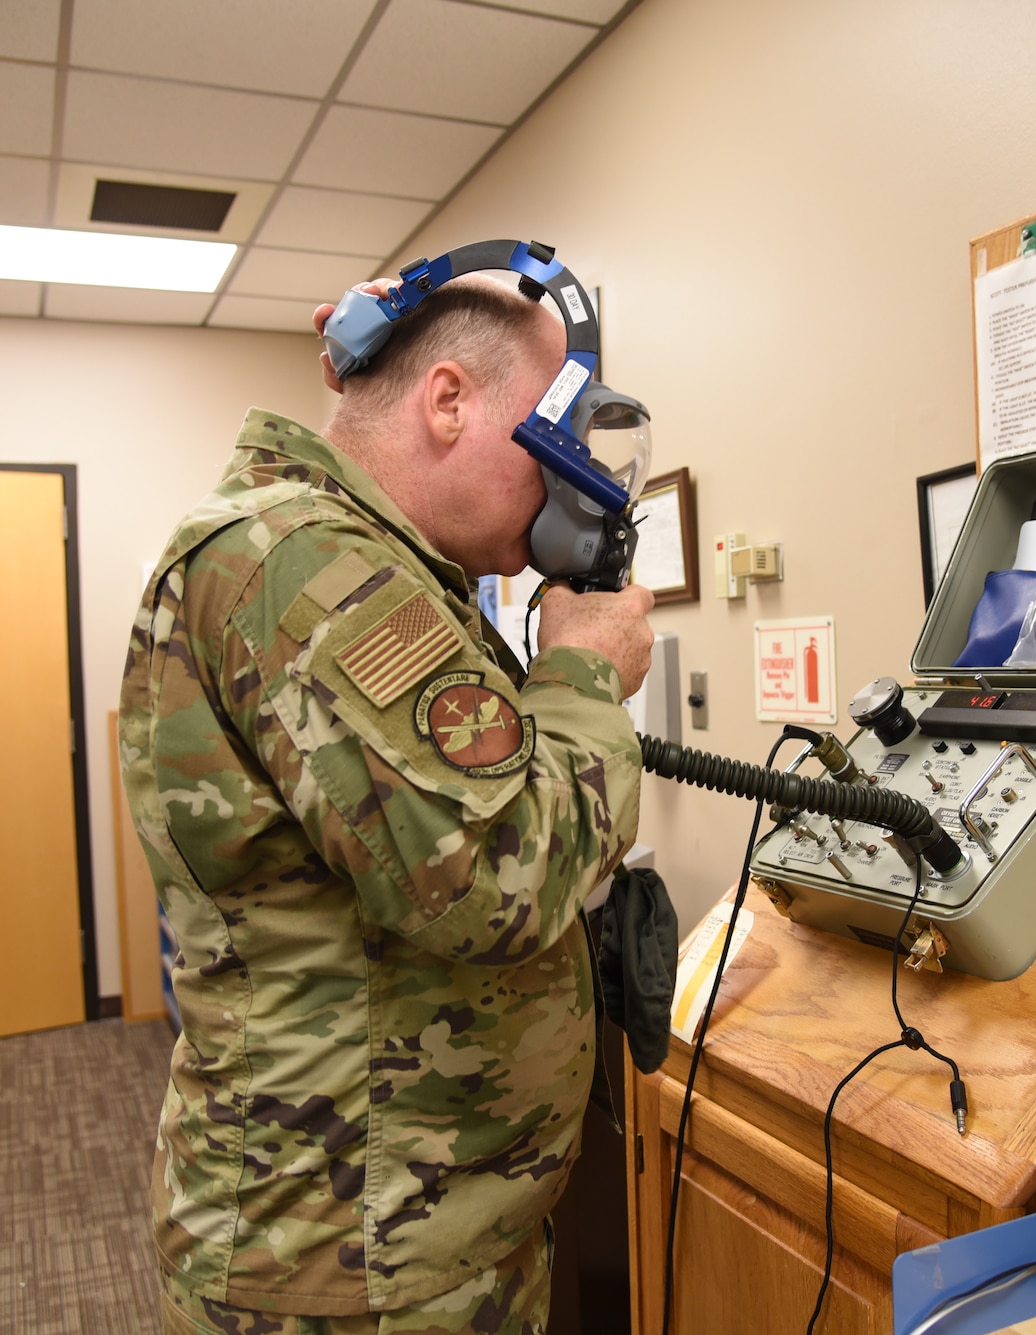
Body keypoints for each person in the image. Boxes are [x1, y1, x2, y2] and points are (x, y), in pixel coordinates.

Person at [119, 271, 655, 1335]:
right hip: (349, 1260)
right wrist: (585, 673)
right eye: (552, 433)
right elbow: (499, 879)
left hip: (419, 1227)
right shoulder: (304, 564)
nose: (574, 478)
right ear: (446, 400)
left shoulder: (378, 569)